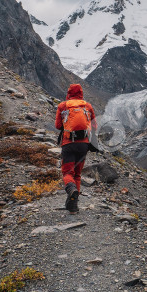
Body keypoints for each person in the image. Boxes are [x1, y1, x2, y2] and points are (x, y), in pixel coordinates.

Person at [55, 84, 96, 213]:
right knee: (77, 174)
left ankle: (71, 189)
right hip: (84, 145)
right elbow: (94, 125)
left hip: (68, 144)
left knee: (67, 173)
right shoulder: (87, 106)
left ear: (69, 93)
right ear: (81, 93)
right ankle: (73, 206)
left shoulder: (63, 106)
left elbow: (57, 125)